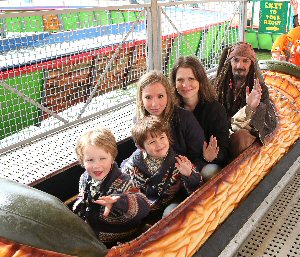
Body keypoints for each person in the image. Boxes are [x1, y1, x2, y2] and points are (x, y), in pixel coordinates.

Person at [72, 128, 150, 245]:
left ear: (112, 158)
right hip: (93, 235)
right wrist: (79, 204)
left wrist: (118, 202)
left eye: (102, 158)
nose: (96, 165)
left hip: (124, 239)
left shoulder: (125, 182)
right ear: (82, 161)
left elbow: (144, 206)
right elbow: (82, 196)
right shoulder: (84, 178)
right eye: (90, 160)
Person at [122, 115, 203, 218]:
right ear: (141, 147)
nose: (159, 144)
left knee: (170, 213)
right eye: (152, 142)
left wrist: (189, 175)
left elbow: (198, 187)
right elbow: (126, 191)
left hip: (171, 203)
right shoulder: (131, 166)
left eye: (162, 137)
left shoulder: (178, 161)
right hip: (145, 209)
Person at [170, 56, 229, 181]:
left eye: (191, 79)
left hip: (205, 164)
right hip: (179, 166)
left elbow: (224, 150)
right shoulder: (172, 111)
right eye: (180, 80)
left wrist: (211, 157)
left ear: (200, 80)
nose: (185, 85)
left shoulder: (215, 110)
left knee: (210, 172)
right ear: (174, 83)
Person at [213, 42, 277, 159]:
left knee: (241, 138)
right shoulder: (218, 85)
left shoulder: (260, 89)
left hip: (239, 140)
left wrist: (254, 107)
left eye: (245, 61)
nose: (239, 65)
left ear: (251, 64)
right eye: (236, 60)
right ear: (230, 63)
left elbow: (270, 123)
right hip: (219, 136)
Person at [135, 70, 206, 171]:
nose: (154, 104)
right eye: (148, 97)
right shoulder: (139, 122)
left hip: (186, 173)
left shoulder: (185, 118)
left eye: (160, 96)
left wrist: (181, 178)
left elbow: (199, 157)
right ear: (141, 99)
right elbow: (140, 154)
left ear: (168, 96)